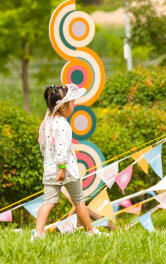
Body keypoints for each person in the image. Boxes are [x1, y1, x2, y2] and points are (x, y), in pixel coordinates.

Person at [32, 84, 99, 239]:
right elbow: (62, 149)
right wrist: (62, 168)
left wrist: (50, 164)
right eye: (72, 104)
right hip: (66, 170)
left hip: (49, 169)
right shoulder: (63, 125)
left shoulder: (46, 123)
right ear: (62, 108)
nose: (73, 107)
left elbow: (43, 146)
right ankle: (91, 231)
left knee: (47, 202)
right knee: (79, 202)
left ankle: (38, 233)